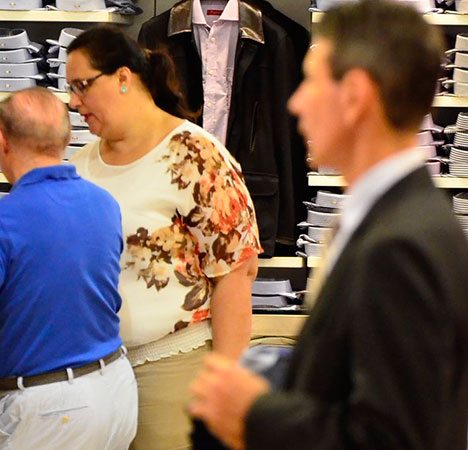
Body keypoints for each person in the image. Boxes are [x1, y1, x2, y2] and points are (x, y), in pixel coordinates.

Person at [189, 2, 468, 449]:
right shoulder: (392, 220)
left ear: (355, 96)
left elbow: (390, 439)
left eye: (313, 82)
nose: (296, 102)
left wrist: (254, 411)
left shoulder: (400, 246)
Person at [67, 25, 262, 449]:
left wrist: (225, 384)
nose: (73, 102)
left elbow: (237, 271)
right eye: (70, 89)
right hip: (92, 372)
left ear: (123, 77)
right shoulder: (81, 165)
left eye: (82, 86)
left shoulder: (196, 155)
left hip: (173, 369)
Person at [0, 87, 137, 450]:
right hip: (115, 387)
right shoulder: (104, 203)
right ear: (65, 138)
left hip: (51, 406)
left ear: (1, 140)